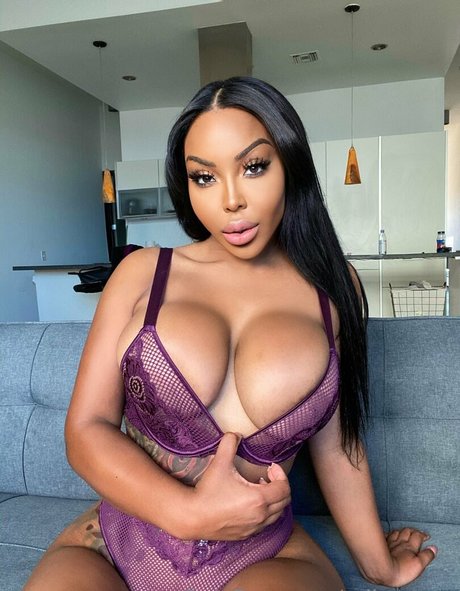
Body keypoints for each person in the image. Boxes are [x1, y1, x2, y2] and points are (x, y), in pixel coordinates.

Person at [24, 76, 437, 591]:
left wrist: (380, 565)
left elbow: (337, 446)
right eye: (204, 177)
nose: (230, 201)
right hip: (117, 543)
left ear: (290, 164)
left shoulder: (334, 287)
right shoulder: (142, 274)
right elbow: (87, 429)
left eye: (254, 166)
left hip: (261, 554)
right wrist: (188, 513)